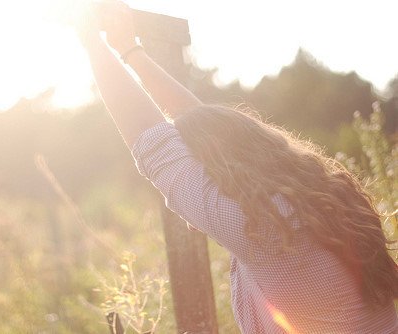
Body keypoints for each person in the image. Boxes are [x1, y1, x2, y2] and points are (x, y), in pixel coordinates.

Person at [76, 2, 398, 333]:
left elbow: (153, 143)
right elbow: (214, 133)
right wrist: (130, 50)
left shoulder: (264, 228)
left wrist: (89, 36)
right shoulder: (322, 200)